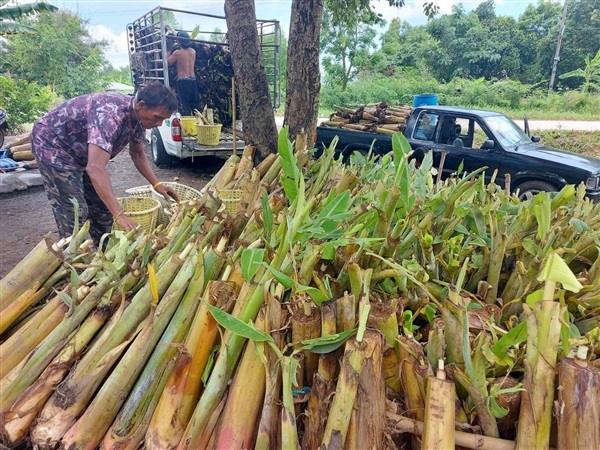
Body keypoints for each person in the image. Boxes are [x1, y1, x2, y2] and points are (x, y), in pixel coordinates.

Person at [31, 82, 181, 245]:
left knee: (102, 210)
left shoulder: (139, 118)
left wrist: (156, 184)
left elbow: (137, 153)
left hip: (82, 154)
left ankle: (105, 254)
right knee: (74, 212)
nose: (159, 124)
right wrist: (119, 214)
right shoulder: (109, 114)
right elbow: (95, 167)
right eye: (158, 117)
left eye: (163, 120)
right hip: (54, 146)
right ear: (141, 105)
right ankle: (75, 263)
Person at [168, 31, 201, 116]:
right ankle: (198, 124)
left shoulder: (177, 53)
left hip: (183, 81)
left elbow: (168, 63)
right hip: (193, 80)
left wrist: (168, 49)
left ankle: (187, 126)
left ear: (179, 42)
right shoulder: (193, 52)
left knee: (184, 105)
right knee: (196, 106)